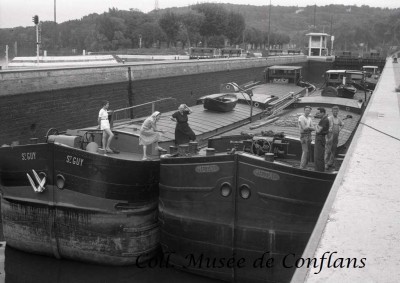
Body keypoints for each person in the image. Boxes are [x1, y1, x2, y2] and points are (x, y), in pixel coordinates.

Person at [325, 106, 344, 170]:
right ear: (332, 111)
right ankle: (325, 163)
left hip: (336, 136)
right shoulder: (329, 118)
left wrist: (340, 129)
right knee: (328, 150)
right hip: (330, 136)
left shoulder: (339, 119)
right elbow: (324, 126)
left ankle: (330, 163)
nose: (335, 112)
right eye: (334, 111)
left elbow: (342, 124)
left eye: (336, 111)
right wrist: (328, 129)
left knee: (333, 150)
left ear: (338, 112)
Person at [314, 107, 330, 172]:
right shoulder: (325, 119)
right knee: (320, 155)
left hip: (319, 139)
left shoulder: (324, 120)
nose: (318, 114)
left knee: (318, 155)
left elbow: (318, 131)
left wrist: (315, 125)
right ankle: (320, 170)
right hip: (322, 138)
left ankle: (318, 171)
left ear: (323, 113)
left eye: (319, 113)